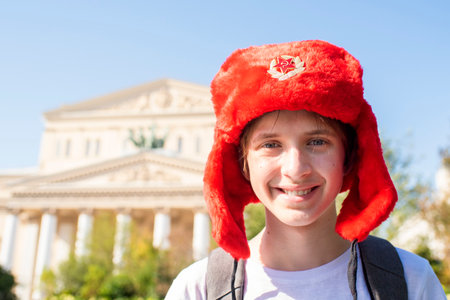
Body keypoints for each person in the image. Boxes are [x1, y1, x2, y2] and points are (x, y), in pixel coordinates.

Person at [165, 40, 446, 299]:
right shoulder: (198, 289)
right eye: (271, 144)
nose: (296, 168)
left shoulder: (410, 281)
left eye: (317, 142)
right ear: (243, 164)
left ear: (349, 157)